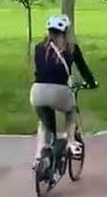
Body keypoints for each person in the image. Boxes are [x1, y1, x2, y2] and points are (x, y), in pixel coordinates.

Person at [30, 15, 97, 164]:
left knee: (43, 121)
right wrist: (92, 83)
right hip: (59, 91)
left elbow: (41, 69)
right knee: (71, 111)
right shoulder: (71, 48)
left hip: (37, 91)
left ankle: (39, 153)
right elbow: (84, 70)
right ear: (65, 32)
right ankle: (71, 142)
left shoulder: (39, 47)